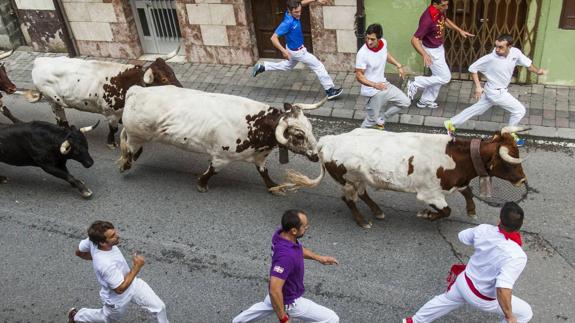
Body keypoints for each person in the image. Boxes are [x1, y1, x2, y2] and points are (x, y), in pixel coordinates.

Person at [403, 202, 533, 323]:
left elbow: (462, 236)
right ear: (520, 225)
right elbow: (502, 288)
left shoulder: (484, 230)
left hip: (463, 282)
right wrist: (509, 316)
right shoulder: (517, 255)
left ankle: (414, 321)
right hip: (482, 297)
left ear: (500, 219)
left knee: (444, 300)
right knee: (525, 313)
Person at [232, 209, 340, 323]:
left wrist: (319, 258)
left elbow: (297, 249)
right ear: (293, 230)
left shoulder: (281, 234)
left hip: (281, 292)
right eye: (304, 226)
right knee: (331, 318)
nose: (307, 228)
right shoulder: (286, 257)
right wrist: (283, 318)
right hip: (290, 300)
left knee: (269, 303)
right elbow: (274, 290)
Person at [444, 34, 546, 146]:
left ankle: (450, 123)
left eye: (501, 47)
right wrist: (478, 87)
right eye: (496, 46)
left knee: (477, 109)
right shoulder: (490, 58)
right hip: (496, 93)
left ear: (509, 47)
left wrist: (538, 71)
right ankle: (509, 135)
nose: (497, 49)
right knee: (519, 110)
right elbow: (472, 68)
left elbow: (528, 64)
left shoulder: (515, 53)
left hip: (494, 91)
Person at [68, 221, 169, 323]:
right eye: (113, 236)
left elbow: (79, 252)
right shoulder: (105, 264)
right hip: (117, 299)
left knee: (159, 307)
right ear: (102, 243)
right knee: (105, 318)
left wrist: (94, 256)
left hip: (133, 283)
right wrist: (137, 267)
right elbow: (120, 289)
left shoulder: (92, 239)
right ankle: (77, 317)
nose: (118, 236)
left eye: (115, 232)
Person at [251, 0, 343, 100]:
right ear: (289, 11)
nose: (299, 14)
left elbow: (302, 3)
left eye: (300, 11)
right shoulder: (287, 22)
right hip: (298, 52)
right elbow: (273, 38)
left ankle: (263, 67)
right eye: (296, 12)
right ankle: (330, 90)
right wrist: (283, 51)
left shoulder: (294, 9)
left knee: (287, 66)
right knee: (318, 66)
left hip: (292, 49)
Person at [406, 0, 474, 108]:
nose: (446, 7)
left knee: (438, 75)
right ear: (435, 4)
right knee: (445, 77)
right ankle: (415, 82)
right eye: (443, 5)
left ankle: (425, 100)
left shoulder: (438, 11)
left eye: (447, 4)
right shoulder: (427, 19)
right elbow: (414, 39)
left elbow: (445, 20)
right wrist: (425, 55)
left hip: (438, 48)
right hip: (431, 51)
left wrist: (459, 30)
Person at [355, 23, 411, 130]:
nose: (369, 42)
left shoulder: (383, 43)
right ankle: (357, 137)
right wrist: (374, 85)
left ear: (379, 39)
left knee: (405, 102)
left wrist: (398, 65)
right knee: (371, 120)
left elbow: (385, 54)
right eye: (367, 38)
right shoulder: (362, 54)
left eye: (372, 39)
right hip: (372, 92)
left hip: (384, 85)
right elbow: (359, 76)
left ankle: (381, 119)